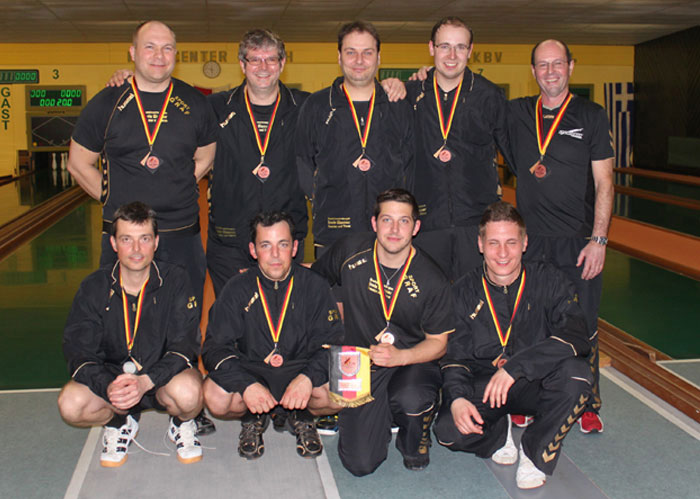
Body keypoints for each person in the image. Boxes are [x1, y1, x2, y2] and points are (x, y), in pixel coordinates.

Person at [434, 201, 593, 490]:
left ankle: (534, 450)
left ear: (525, 243)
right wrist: (456, 398)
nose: (503, 253)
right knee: (448, 433)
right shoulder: (462, 291)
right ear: (480, 244)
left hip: (536, 382)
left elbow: (576, 336)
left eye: (511, 242)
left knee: (578, 376)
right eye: (494, 243)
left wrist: (517, 367)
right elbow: (454, 355)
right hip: (486, 385)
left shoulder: (550, 280)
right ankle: (498, 433)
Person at [67, 20, 218, 308]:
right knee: (122, 317)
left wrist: (178, 185)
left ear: (176, 54)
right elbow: (78, 163)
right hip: (125, 237)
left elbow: (206, 155)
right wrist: (116, 202)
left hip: (180, 234)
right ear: (133, 52)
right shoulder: (106, 102)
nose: (159, 55)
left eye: (167, 48)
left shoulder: (195, 102)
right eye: (150, 47)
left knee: (183, 317)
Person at [507, 39, 614, 433]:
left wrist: (598, 240)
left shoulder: (592, 115)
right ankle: (528, 398)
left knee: (581, 323)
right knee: (529, 322)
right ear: (533, 71)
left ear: (571, 66)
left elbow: (605, 183)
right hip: (531, 241)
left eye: (557, 63)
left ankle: (587, 403)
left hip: (578, 240)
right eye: (542, 64)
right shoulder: (518, 112)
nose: (550, 71)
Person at [312, 188, 454, 475]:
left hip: (411, 363)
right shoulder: (349, 251)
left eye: (404, 221)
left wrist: (400, 357)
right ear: (374, 223)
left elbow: (439, 343)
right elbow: (313, 281)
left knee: (413, 397)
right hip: (358, 362)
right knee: (359, 464)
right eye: (387, 220)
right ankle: (380, 412)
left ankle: (414, 428)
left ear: (416, 227)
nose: (394, 229)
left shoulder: (432, 278)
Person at [58, 202, 204, 467]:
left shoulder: (176, 280)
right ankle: (118, 422)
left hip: (161, 380)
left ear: (156, 242)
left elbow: (186, 346)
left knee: (190, 393)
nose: (136, 249)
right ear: (114, 243)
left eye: (144, 239)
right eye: (127, 239)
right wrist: (107, 385)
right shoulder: (94, 287)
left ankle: (181, 423)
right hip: (114, 384)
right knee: (71, 404)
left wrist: (147, 381)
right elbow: (78, 351)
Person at [202, 211, 343, 459]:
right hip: (253, 370)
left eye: (283, 244)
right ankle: (253, 416)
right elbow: (214, 348)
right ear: (253, 250)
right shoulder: (236, 288)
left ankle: (301, 415)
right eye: (266, 245)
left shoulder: (315, 286)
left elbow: (335, 342)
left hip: (301, 369)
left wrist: (308, 378)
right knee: (215, 398)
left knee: (348, 388)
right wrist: (246, 385)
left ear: (295, 248)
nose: (275, 254)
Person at [296, 21, 414, 257]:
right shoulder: (317, 105)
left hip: (389, 233)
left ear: (378, 58)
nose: (359, 60)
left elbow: (411, 165)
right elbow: (302, 161)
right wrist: (323, 199)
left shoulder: (398, 106)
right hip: (333, 231)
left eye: (367, 52)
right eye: (351, 52)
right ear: (339, 57)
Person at [406, 16, 511, 282]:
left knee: (475, 299)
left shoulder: (490, 96)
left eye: (460, 47)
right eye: (444, 46)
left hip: (475, 223)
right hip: (426, 223)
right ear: (431, 48)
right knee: (429, 301)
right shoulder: (410, 94)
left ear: (470, 50)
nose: (452, 55)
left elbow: (515, 156)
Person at [205, 29, 309, 296]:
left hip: (285, 240)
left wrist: (396, 86)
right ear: (242, 65)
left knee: (281, 313)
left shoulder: (306, 108)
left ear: (282, 63)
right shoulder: (215, 108)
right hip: (230, 241)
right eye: (255, 59)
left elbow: (351, 96)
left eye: (271, 59)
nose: (263, 67)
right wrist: (127, 81)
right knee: (234, 313)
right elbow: (168, 100)